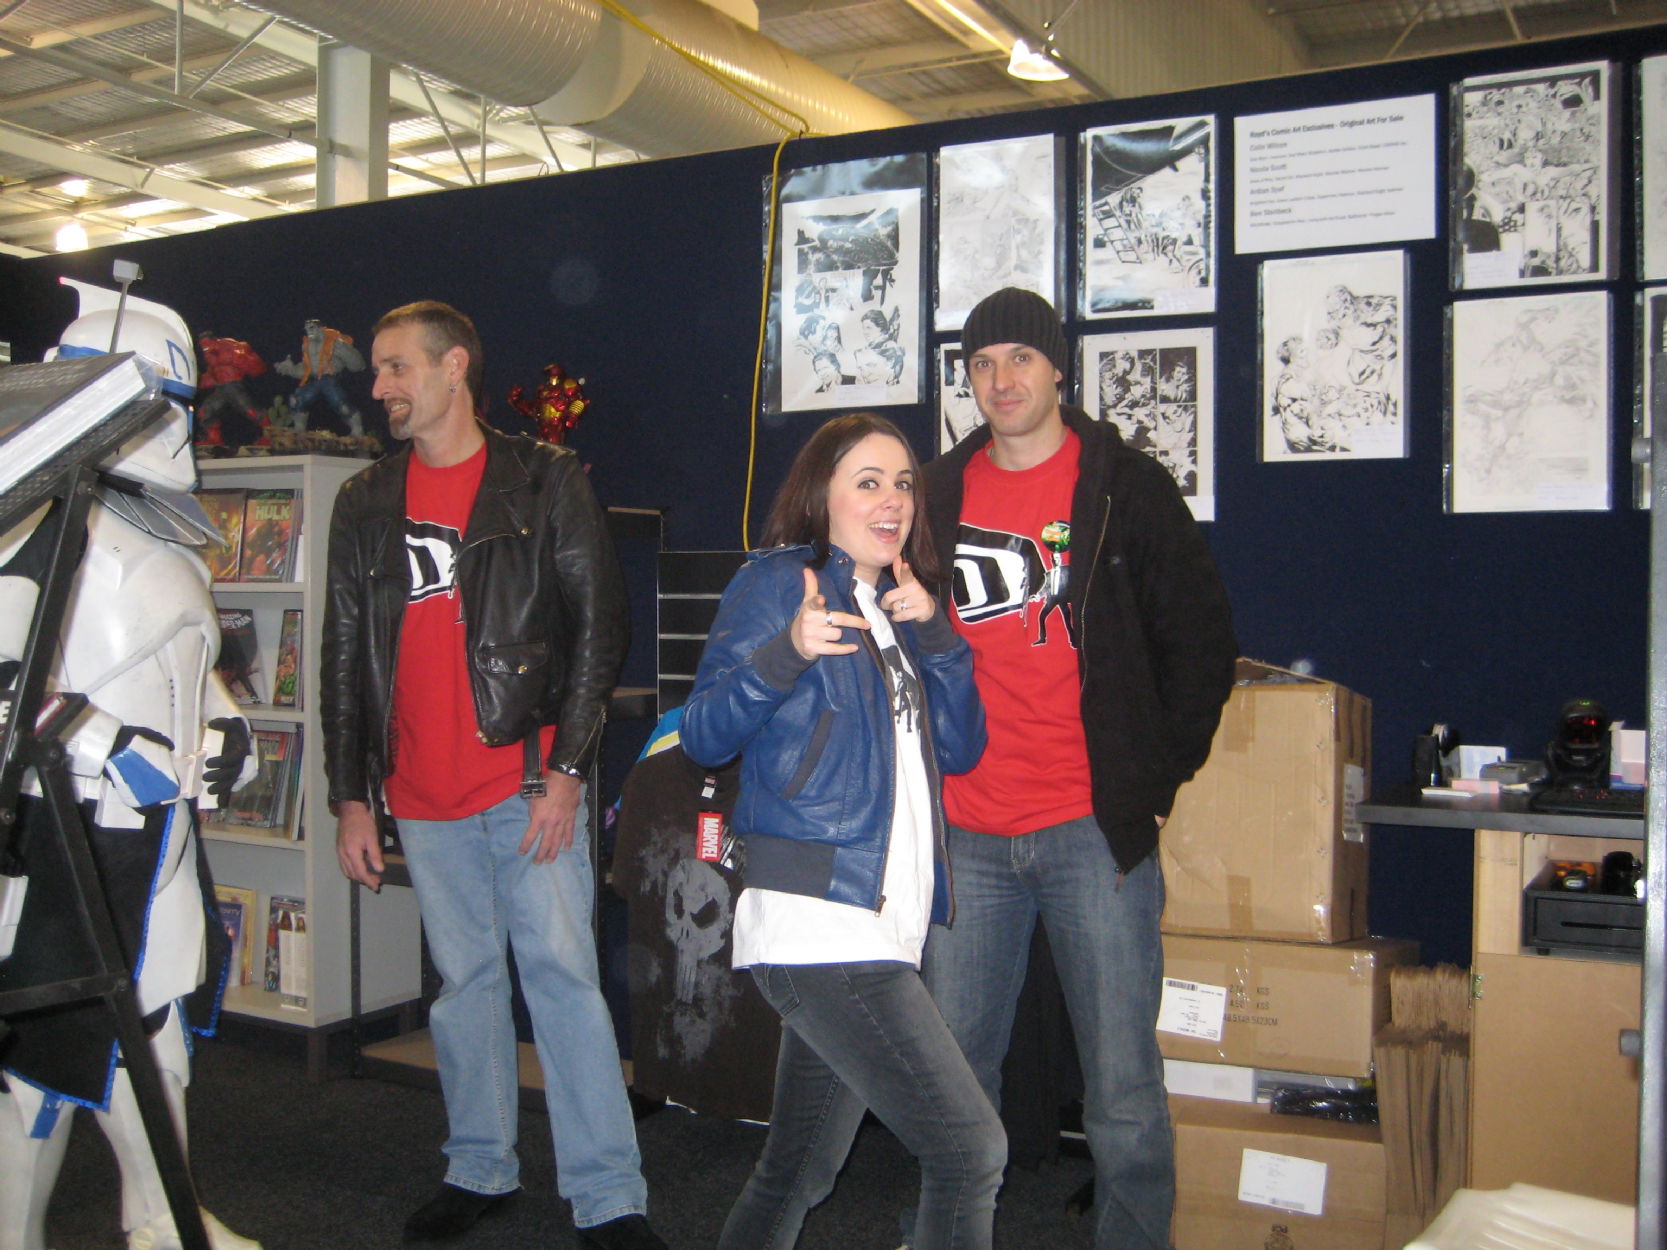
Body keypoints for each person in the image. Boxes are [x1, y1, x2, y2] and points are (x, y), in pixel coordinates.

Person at [319, 301, 664, 1250]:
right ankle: (478, 1166)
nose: (379, 386)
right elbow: (343, 649)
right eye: (378, 372)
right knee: (463, 987)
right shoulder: (365, 500)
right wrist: (351, 794)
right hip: (418, 795)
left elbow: (601, 629)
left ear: (453, 365)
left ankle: (607, 1196)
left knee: (563, 982)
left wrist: (567, 771)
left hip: (524, 784)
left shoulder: (542, 478)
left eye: (394, 368)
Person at [919, 288, 1237, 1250]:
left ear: (1059, 368)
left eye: (1020, 358)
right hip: (967, 830)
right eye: (981, 364)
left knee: (1122, 1093)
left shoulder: (1123, 486)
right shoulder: (933, 492)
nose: (1000, 380)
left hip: (1087, 829)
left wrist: (1144, 781)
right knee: (952, 1080)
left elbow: (1200, 644)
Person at [680, 414, 1005, 1250]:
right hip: (819, 919)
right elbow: (707, 734)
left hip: (880, 923)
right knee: (969, 1151)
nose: (892, 499)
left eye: (903, 482)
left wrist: (936, 635)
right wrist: (783, 654)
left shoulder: (891, 606)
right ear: (820, 496)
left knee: (795, 1170)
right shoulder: (783, 583)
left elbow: (962, 746)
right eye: (867, 481)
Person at [0, 279, 262, 1250]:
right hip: (64, 831)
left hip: (155, 838)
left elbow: (184, 662)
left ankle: (160, 1212)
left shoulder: (163, 528)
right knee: (41, 1053)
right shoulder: (30, 526)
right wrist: (105, 743)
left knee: (154, 1028)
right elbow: (6, 683)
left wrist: (223, 722)